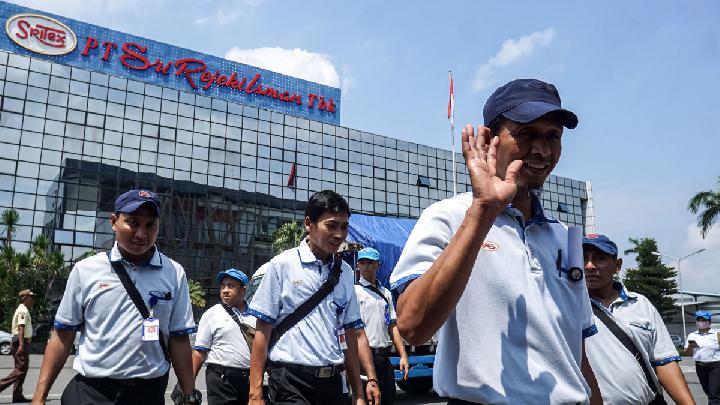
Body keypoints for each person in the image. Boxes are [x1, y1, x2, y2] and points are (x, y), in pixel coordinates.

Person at [390, 78, 603, 404]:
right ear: (489, 139)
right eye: (527, 134)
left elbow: (576, 353)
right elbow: (412, 325)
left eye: (553, 137)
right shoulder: (448, 216)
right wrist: (484, 211)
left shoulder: (566, 237)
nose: (542, 150)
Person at [31, 189, 200, 405]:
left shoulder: (174, 273)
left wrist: (189, 393)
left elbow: (179, 339)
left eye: (150, 225)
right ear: (114, 222)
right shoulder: (86, 270)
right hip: (92, 393)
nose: (141, 233)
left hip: (146, 394)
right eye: (132, 222)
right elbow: (63, 334)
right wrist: (40, 396)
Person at [247, 190, 381, 405]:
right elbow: (263, 329)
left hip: (332, 384)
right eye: (331, 225)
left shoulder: (346, 273)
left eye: (344, 227)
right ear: (309, 224)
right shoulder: (282, 265)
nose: (339, 234)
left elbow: (351, 335)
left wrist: (358, 393)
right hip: (290, 381)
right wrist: (255, 394)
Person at [582, 234, 695, 404]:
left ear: (617, 265)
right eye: (583, 259)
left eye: (600, 258)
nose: (589, 266)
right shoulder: (566, 307)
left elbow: (664, 362)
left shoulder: (641, 304)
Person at [354, 247, 409, 404]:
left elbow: (392, 326)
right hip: (364, 357)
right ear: (357, 265)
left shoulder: (385, 293)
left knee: (388, 399)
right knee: (369, 400)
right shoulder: (354, 291)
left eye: (370, 263)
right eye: (362, 262)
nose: (365, 266)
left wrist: (403, 355)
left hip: (383, 357)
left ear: (378, 265)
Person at [192, 268, 256, 405]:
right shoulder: (211, 314)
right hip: (220, 378)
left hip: (249, 379)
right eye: (223, 286)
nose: (225, 290)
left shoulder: (256, 316)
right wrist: (188, 385)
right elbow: (199, 352)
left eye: (231, 286)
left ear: (243, 290)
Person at [0, 289, 36, 402]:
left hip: (22, 341)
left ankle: (17, 395)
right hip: (21, 342)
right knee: (20, 370)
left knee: (21, 369)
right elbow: (21, 328)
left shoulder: (24, 310)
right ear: (25, 298)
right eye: (31, 297)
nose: (33, 300)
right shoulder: (22, 311)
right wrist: (21, 345)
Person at [682, 310, 720, 404]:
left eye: (704, 320)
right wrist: (690, 347)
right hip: (700, 367)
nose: (701, 322)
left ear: (709, 322)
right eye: (699, 320)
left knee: (713, 393)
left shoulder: (717, 334)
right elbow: (686, 353)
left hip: (715, 367)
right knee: (708, 391)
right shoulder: (692, 335)